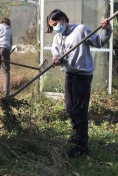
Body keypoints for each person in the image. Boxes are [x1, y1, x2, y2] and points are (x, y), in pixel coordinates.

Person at [47, 9, 112, 157]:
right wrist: (56, 59)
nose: (55, 27)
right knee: (70, 109)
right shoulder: (58, 37)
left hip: (82, 75)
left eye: (56, 24)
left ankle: (82, 146)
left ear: (63, 19)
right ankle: (76, 136)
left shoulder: (81, 30)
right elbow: (57, 53)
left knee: (79, 111)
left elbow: (99, 42)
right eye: (52, 26)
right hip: (70, 74)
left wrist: (107, 30)